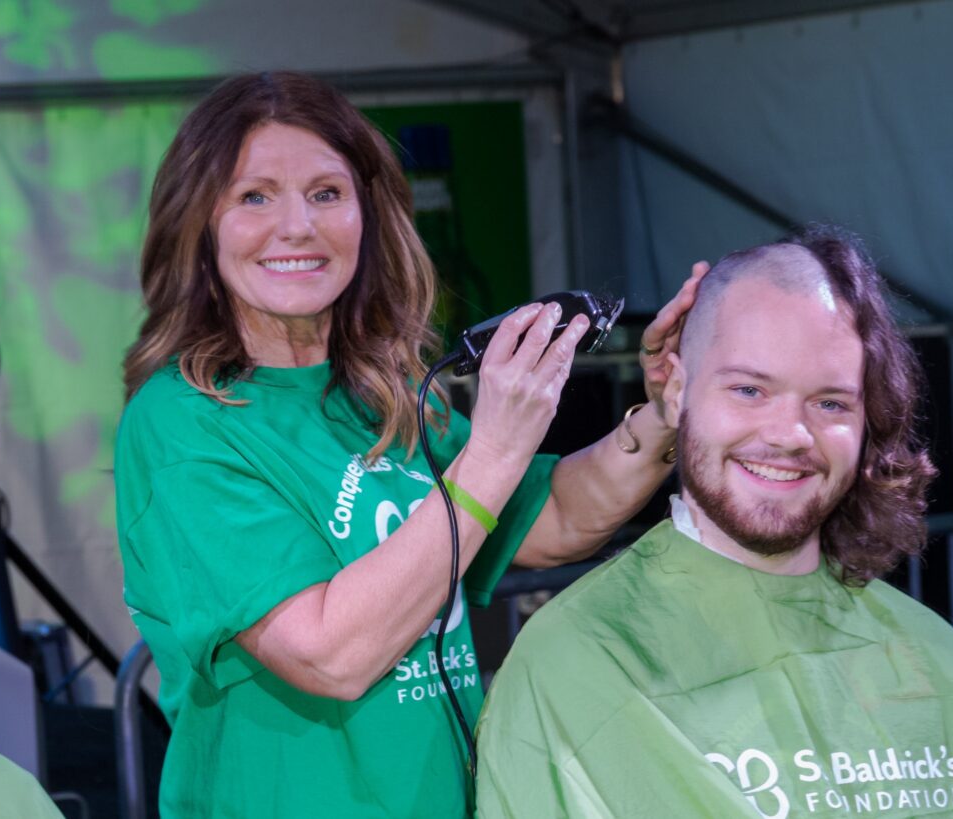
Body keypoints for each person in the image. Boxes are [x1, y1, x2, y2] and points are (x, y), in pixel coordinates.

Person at [113, 71, 702, 818]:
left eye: (327, 193)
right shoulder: (183, 422)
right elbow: (330, 653)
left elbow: (553, 520)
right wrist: (492, 449)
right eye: (254, 195)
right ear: (199, 223)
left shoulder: (380, 393)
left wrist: (665, 413)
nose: (297, 226)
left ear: (368, 214)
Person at [475, 228, 953, 818]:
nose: (789, 434)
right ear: (677, 391)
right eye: (750, 389)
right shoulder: (574, 665)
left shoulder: (945, 665)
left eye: (830, 402)